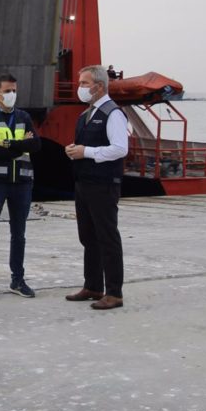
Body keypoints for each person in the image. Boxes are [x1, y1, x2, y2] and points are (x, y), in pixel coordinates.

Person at [64, 64, 129, 310]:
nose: (80, 88)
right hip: (85, 182)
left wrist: (86, 151)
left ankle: (114, 292)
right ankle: (92, 285)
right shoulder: (86, 114)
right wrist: (75, 150)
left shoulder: (113, 114)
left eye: (84, 83)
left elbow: (120, 148)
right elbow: (88, 147)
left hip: (103, 184)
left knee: (107, 237)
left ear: (99, 86)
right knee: (88, 236)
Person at [0, 73, 41, 300]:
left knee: (19, 235)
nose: (11, 94)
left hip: (22, 182)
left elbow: (36, 145)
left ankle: (18, 280)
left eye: (14, 90)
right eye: (7, 90)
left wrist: (9, 144)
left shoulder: (23, 116)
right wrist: (20, 145)